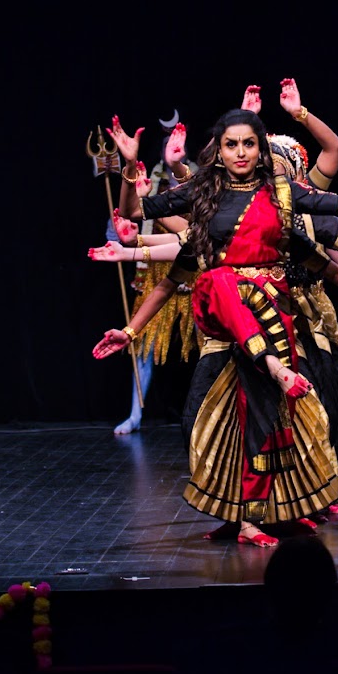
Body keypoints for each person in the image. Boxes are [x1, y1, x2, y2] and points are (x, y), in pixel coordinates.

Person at [93, 108, 338, 548]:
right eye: (231, 144)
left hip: (273, 318)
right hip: (224, 319)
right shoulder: (204, 193)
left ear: (260, 150)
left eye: (248, 143)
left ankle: (260, 516)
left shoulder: (281, 194)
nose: (240, 152)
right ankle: (236, 505)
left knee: (269, 422)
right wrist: (129, 167)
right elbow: (141, 222)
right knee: (199, 417)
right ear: (218, 152)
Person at [111, 115, 199, 435]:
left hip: (196, 270)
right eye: (167, 147)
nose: (172, 149)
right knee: (143, 346)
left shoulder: (197, 183)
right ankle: (135, 413)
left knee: (215, 346)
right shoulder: (154, 184)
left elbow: (194, 231)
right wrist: (130, 166)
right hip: (158, 269)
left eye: (177, 146)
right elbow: (131, 217)